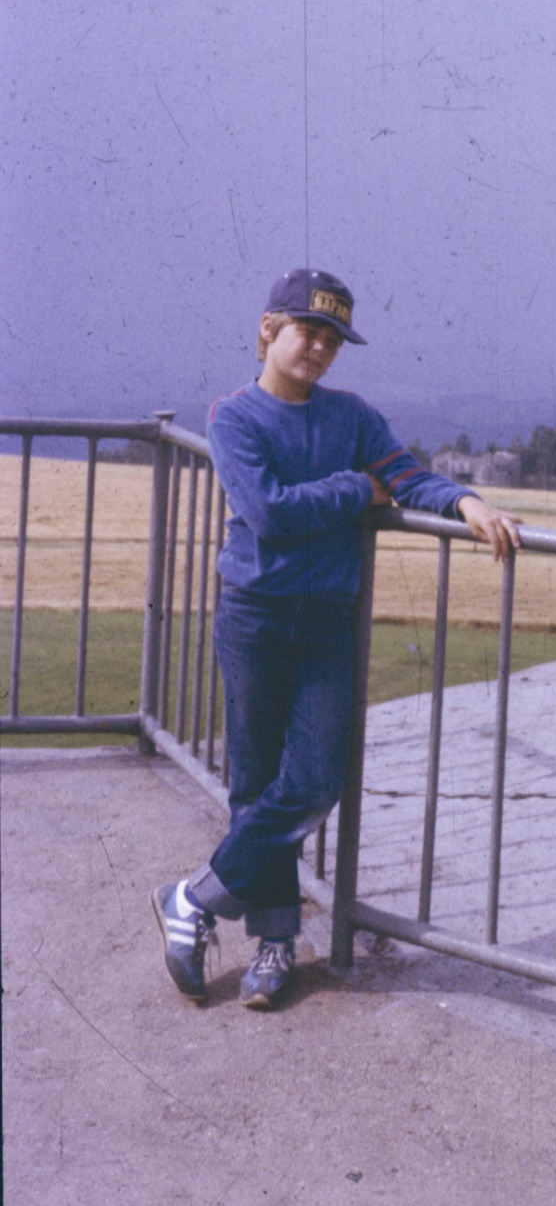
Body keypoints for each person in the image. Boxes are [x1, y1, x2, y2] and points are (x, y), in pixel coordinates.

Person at [152, 268, 521, 1009]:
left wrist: (465, 501)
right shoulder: (233, 417)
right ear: (269, 329)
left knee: (316, 780)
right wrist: (357, 489)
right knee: (257, 782)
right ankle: (275, 942)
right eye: (308, 331)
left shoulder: (352, 418)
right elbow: (270, 513)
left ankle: (191, 899)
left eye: (333, 339)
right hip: (253, 615)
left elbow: (405, 477)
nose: (320, 348)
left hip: (324, 621)